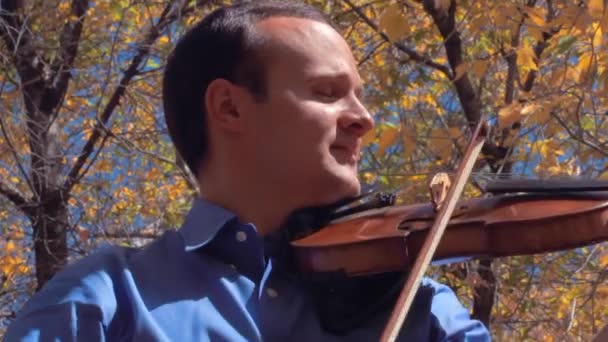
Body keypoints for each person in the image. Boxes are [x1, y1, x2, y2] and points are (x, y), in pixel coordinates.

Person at [5, 1, 491, 341]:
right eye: (327, 92)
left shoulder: (416, 302)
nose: (365, 119)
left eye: (359, 96)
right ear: (230, 108)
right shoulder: (108, 297)